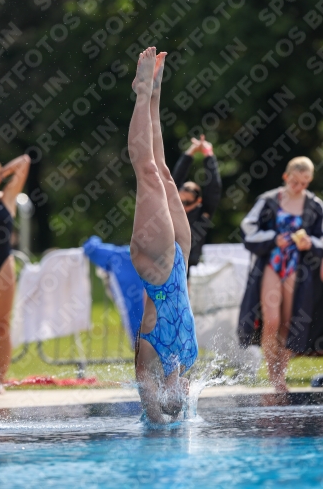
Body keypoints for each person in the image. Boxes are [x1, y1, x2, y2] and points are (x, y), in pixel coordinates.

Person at [129, 47, 198, 424]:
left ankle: (141, 92)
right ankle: (153, 92)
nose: (182, 395)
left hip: (157, 268)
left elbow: (146, 396)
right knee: (165, 174)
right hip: (180, 262)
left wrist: (154, 414)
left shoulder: (148, 355)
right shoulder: (185, 359)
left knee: (149, 173)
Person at [238, 157, 323, 392]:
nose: (299, 187)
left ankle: (279, 375)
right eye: (295, 182)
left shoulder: (314, 204)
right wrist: (272, 239)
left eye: (305, 183)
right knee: (271, 320)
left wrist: (311, 243)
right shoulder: (268, 200)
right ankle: (272, 370)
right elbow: (248, 228)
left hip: (298, 267)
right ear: (286, 177)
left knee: (289, 322)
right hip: (273, 263)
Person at [0, 155, 31, 393]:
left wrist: (1, 172)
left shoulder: (7, 198)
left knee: (3, 326)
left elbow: (25, 162)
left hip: (2, 266)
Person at [172, 134, 222, 275]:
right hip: (164, 265)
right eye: (180, 201)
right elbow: (175, 178)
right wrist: (190, 152)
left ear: (198, 201)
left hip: (188, 269)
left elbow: (214, 188)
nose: (182, 206)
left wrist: (209, 154)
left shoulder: (203, 213)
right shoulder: (172, 209)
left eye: (187, 202)